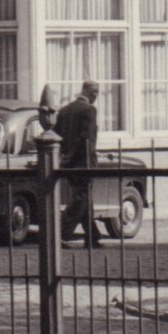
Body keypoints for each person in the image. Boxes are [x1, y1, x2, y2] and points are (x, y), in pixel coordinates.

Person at [55, 80, 104, 248]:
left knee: (84, 198)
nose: (97, 96)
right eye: (96, 93)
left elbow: (57, 136)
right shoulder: (90, 110)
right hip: (84, 162)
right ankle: (61, 234)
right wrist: (79, 157)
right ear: (93, 93)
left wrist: (65, 156)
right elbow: (86, 139)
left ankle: (92, 236)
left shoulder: (64, 111)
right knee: (80, 199)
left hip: (68, 164)